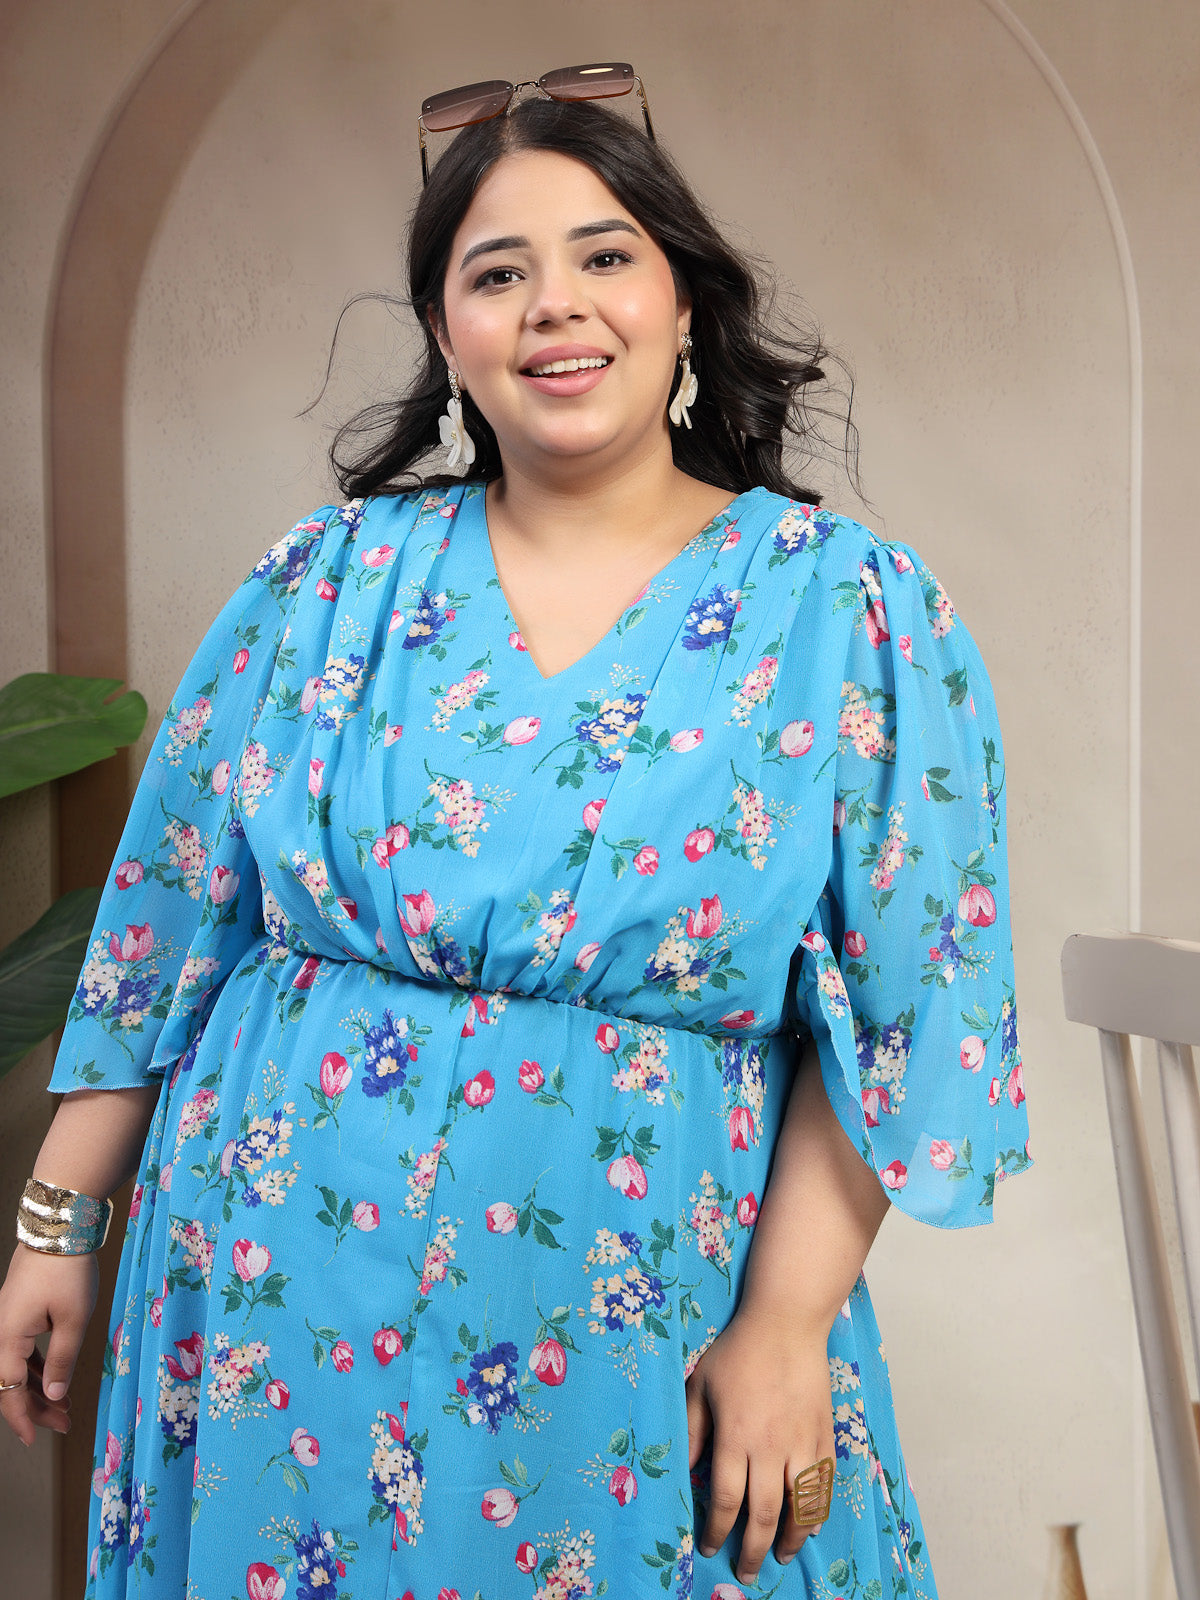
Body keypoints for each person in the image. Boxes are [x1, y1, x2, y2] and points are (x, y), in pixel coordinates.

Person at [0, 71, 1030, 1600]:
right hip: (281, 1304)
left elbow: (902, 1010)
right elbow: (170, 916)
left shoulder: (843, 606)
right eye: (499, 273)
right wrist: (57, 1223)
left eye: (606, 255)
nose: (556, 304)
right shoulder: (326, 582)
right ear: (447, 334)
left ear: (686, 302)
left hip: (641, 1315)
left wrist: (786, 1325)